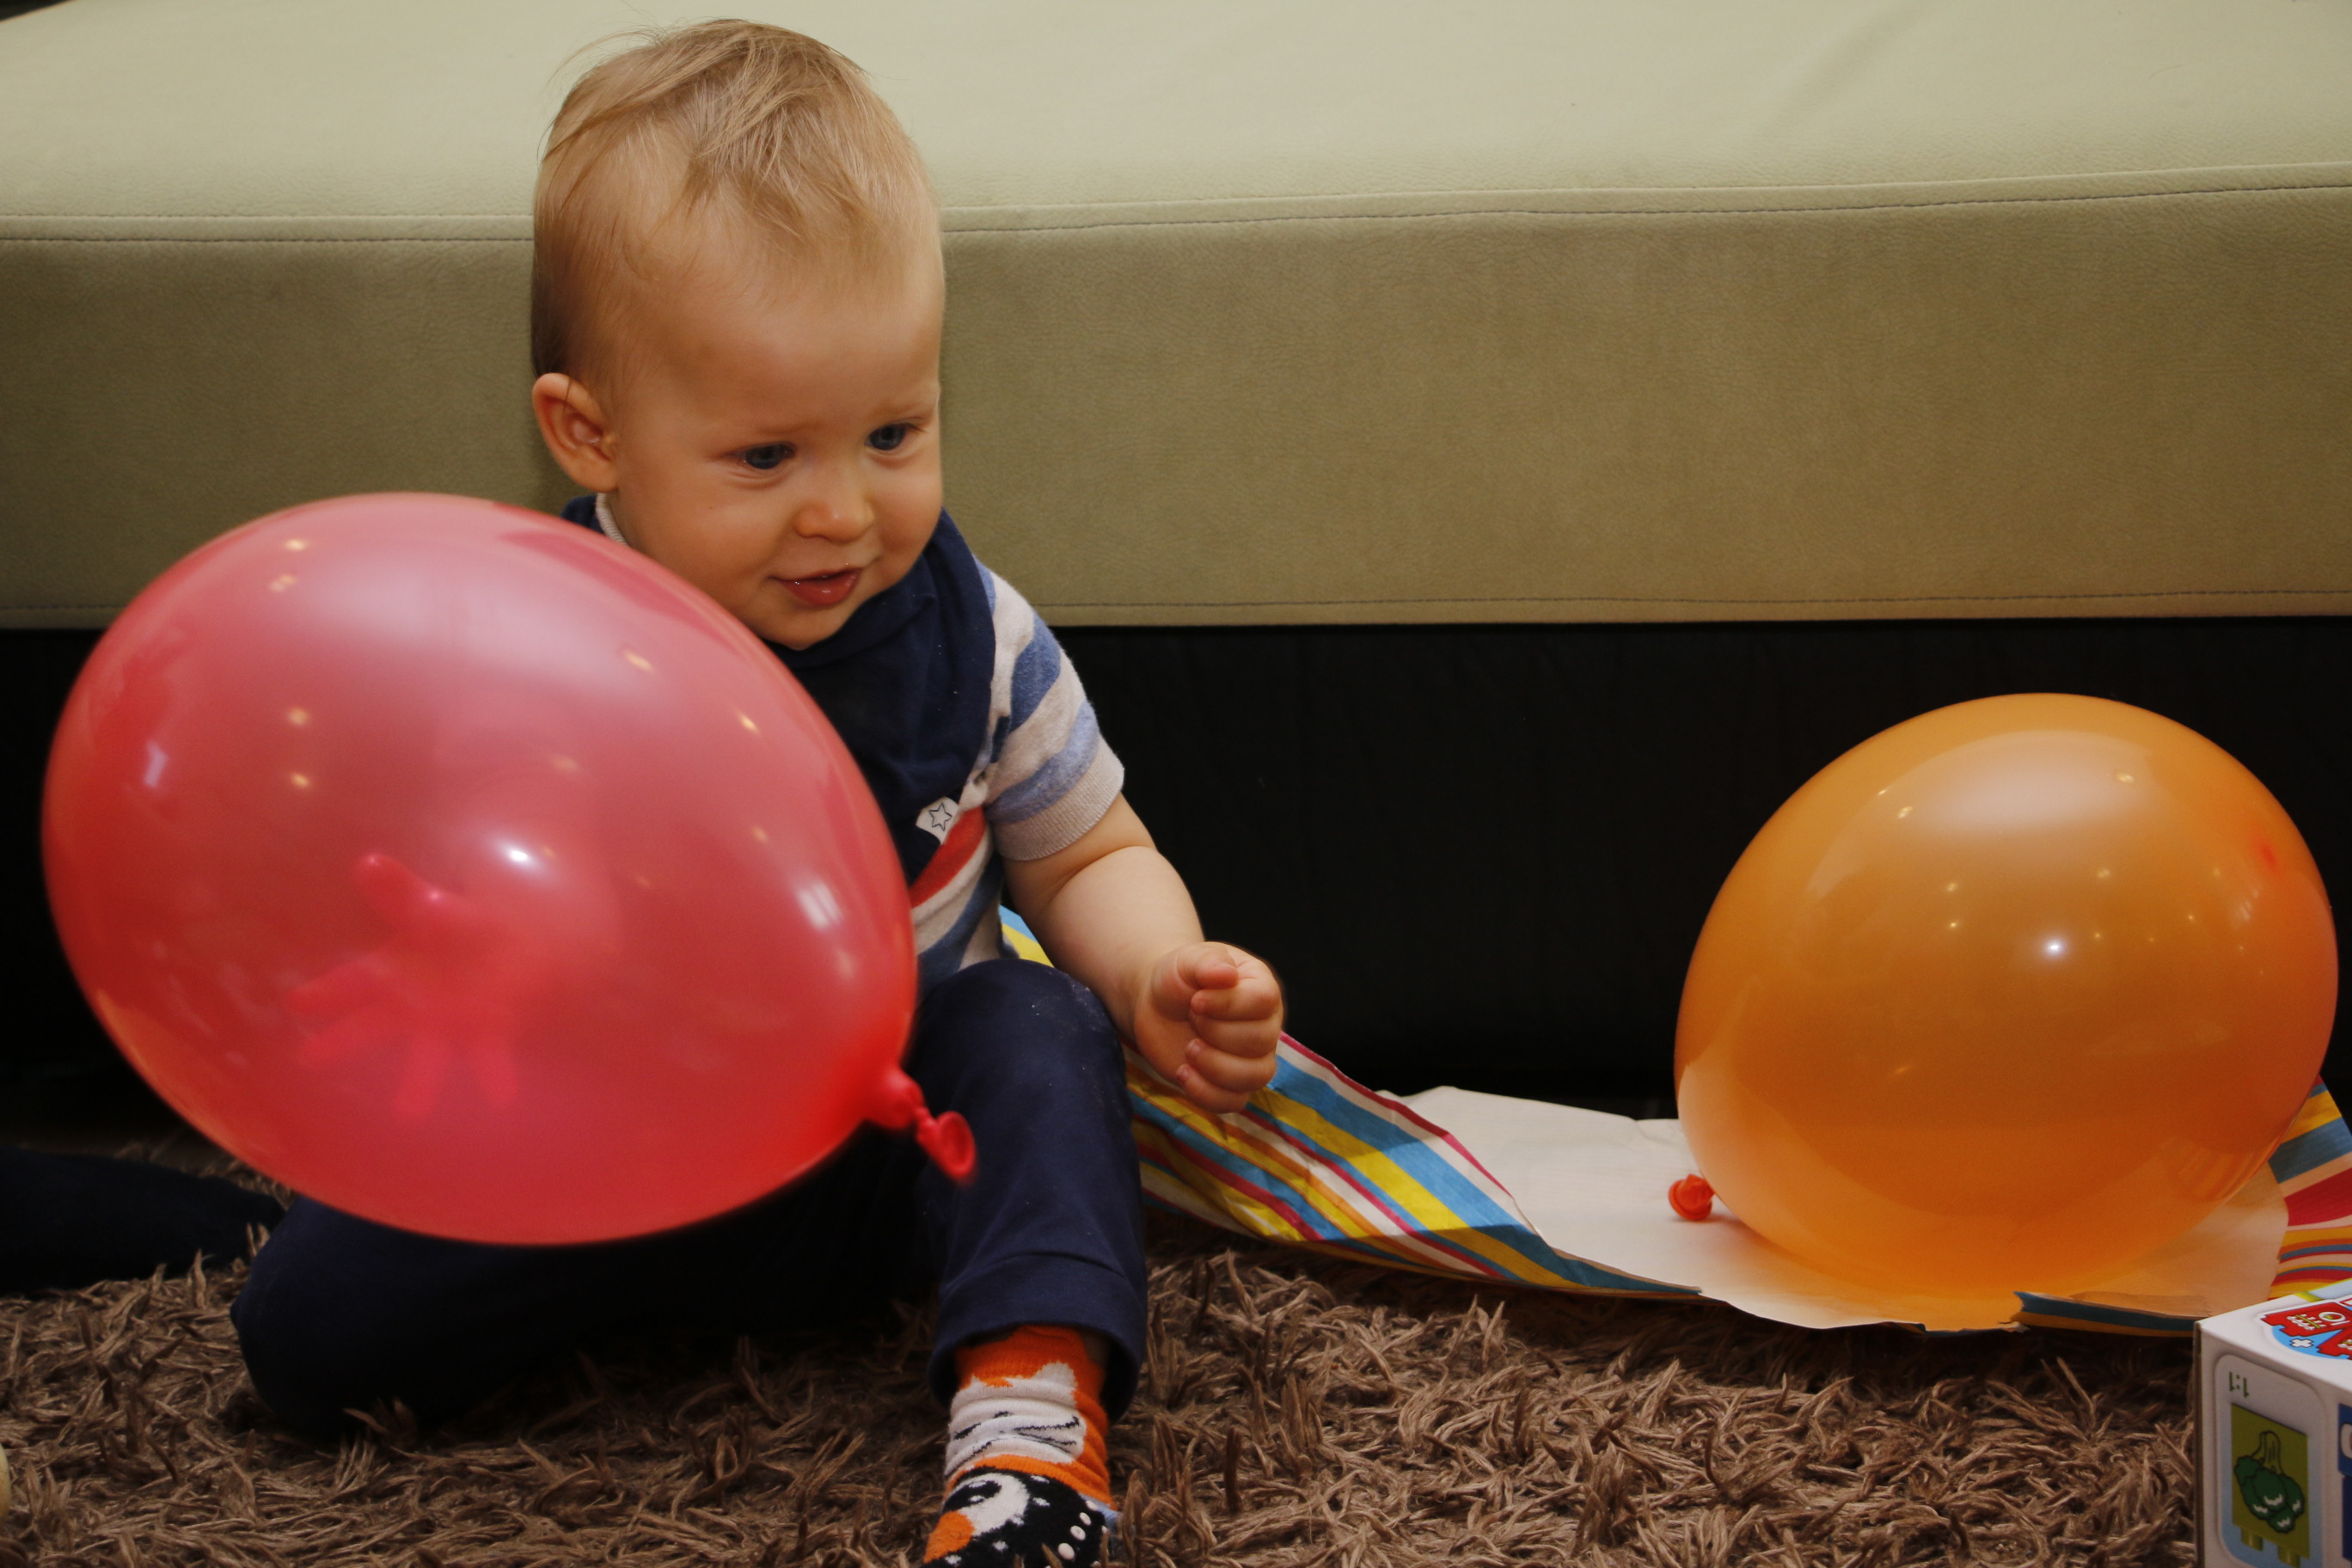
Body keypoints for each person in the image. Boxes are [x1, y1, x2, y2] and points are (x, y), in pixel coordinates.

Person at [230, 21, 1284, 1566]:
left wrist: (1158, 973)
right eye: (767, 455)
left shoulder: (972, 634)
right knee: (305, 1334)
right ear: (591, 432)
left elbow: (1086, 851)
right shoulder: (527, 660)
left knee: (1035, 1023)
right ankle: (603, 1294)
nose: (844, 510)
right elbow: (453, 921)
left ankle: (1029, 1420)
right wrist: (482, 970)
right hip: (610, 1158)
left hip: (890, 1154)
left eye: (893, 433)